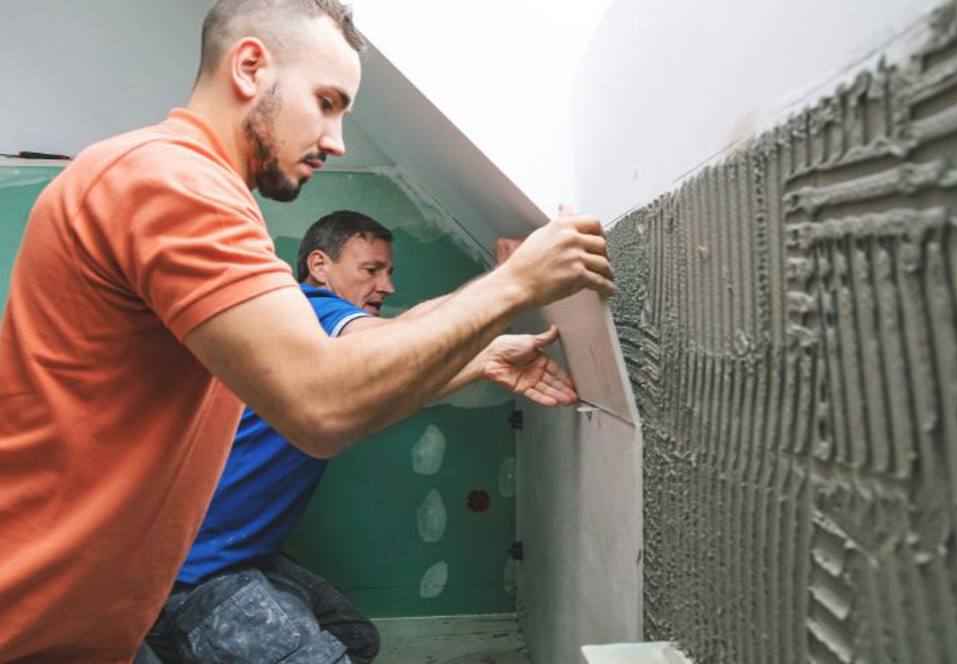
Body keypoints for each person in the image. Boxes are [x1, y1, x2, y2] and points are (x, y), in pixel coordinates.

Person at [0, 0, 614, 660]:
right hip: (37, 617)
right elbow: (323, 403)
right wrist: (516, 283)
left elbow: (362, 356)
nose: (338, 139)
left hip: (104, 609)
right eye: (326, 101)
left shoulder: (194, 189)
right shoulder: (172, 183)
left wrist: (482, 351)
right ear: (250, 66)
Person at [145, 210, 574, 663]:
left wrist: (485, 359)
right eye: (371, 270)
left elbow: (391, 371)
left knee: (352, 637)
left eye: (388, 272)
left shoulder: (309, 335)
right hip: (198, 570)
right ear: (319, 266)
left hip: (238, 553)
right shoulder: (311, 309)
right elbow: (401, 340)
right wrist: (508, 283)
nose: (386, 285)